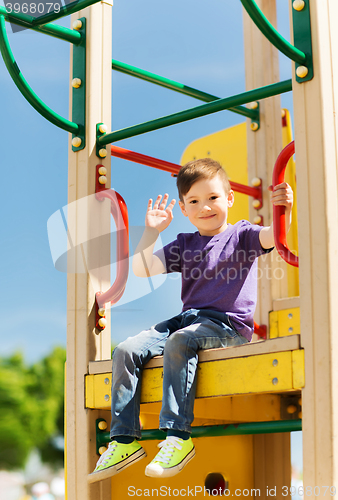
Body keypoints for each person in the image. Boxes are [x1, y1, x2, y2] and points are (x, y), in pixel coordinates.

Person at [88, 158, 293, 483]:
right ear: (183, 208)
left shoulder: (241, 235)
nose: (205, 207)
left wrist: (285, 210)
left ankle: (178, 436)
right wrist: (152, 233)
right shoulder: (186, 243)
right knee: (126, 349)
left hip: (227, 326)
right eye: (194, 201)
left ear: (229, 198)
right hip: (188, 321)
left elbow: (272, 237)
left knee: (179, 341)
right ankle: (124, 439)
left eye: (212, 197)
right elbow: (143, 268)